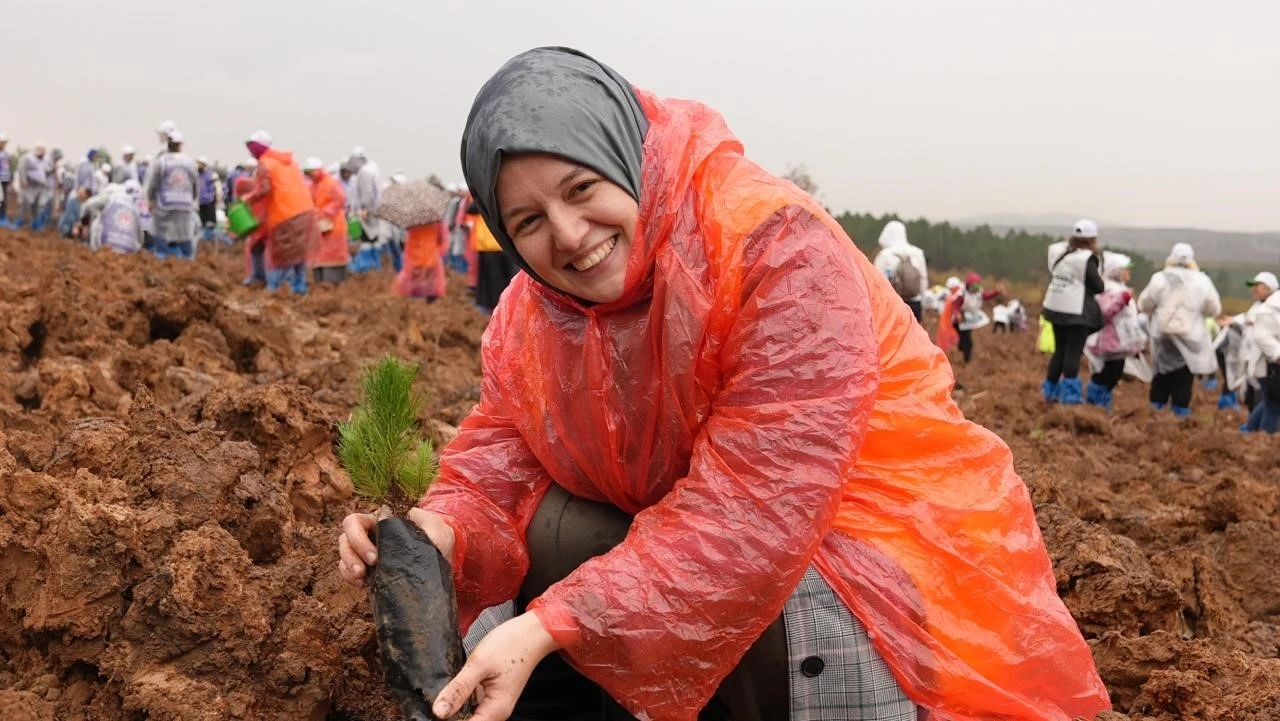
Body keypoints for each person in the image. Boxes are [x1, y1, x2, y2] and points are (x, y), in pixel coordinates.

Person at [336, 47, 1107, 721]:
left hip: (866, 542)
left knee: (804, 597)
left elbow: (758, 510)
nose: (568, 235)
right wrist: (441, 529)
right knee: (547, 522)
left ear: (626, 156)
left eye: (581, 189)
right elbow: (499, 458)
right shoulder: (531, 313)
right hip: (705, 526)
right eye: (529, 220)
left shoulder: (774, 251)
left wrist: (554, 623)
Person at [1137, 243, 1222, 417]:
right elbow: (1213, 309)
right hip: (1191, 336)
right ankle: (1179, 416)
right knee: (1184, 378)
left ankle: (1155, 414)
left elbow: (1144, 304)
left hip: (1163, 335)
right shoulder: (1202, 280)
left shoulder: (1159, 278)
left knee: (1161, 374)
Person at [240, 130, 315, 295]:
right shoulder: (289, 162)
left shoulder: (266, 163)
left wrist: (248, 198)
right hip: (304, 210)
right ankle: (300, 287)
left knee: (284, 254)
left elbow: (264, 189)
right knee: (299, 252)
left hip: (285, 213)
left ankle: (273, 289)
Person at [1041, 219, 1105, 404]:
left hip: (1055, 307)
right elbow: (1098, 286)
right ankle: (1069, 396)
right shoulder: (1086, 259)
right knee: (1073, 353)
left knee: (1059, 351)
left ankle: (1050, 391)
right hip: (1076, 312)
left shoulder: (1059, 252)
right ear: (1093, 239)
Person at [1084, 253, 1145, 410]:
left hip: (1120, 341)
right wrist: (1123, 298)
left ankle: (1102, 404)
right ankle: (1094, 401)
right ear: (1116, 270)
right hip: (1109, 340)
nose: (1129, 272)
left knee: (1114, 373)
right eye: (1126, 269)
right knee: (1108, 373)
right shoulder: (1108, 288)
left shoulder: (1119, 288)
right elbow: (1104, 312)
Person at [144, 130, 200, 260]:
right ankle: (187, 258)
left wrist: (151, 200)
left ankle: (163, 258)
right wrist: (193, 199)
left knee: (162, 232)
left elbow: (153, 183)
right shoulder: (189, 162)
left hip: (165, 204)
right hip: (185, 204)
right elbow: (196, 184)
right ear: (180, 145)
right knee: (185, 232)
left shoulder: (162, 161)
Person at [1240, 272, 1280, 433]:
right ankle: (1264, 440)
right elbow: (1261, 336)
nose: (1254, 289)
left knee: (1270, 402)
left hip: (1269, 365)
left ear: (1269, 287)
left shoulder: (1269, 307)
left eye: (1258, 285)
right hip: (1270, 366)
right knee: (1273, 405)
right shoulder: (1265, 309)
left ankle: (1249, 429)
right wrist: (1277, 354)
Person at [301, 157, 350, 285]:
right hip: (319, 225)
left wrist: (325, 212)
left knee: (332, 255)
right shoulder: (312, 185)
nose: (309, 175)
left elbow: (340, 200)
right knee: (319, 256)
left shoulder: (331, 182)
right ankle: (321, 281)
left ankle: (333, 281)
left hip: (334, 225)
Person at [469, 201, 520, 314]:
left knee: (492, 278)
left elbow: (471, 210)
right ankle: (503, 306)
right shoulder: (504, 200)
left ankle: (496, 305)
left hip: (490, 245)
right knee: (505, 278)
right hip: (504, 244)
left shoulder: (483, 200)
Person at [872, 220, 928, 322]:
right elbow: (924, 280)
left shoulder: (884, 255)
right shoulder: (917, 253)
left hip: (892, 304)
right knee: (913, 331)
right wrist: (922, 303)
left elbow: (877, 283)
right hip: (915, 303)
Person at [80, 182, 144, 253]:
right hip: (127, 250)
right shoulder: (134, 207)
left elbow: (88, 205)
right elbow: (140, 237)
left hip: (104, 246)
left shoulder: (110, 197)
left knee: (97, 220)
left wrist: (85, 223)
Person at [17, 144, 52, 230]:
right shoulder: (28, 158)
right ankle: (19, 222)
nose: (43, 154)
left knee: (36, 206)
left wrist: (51, 170)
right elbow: (22, 168)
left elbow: (45, 172)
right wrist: (23, 179)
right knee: (26, 205)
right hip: (29, 186)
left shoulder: (44, 160)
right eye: (41, 151)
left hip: (39, 187)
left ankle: (35, 223)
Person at [196, 156, 219, 240]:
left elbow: (216, 189)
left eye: (200, 164)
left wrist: (216, 199)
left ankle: (212, 239)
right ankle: (205, 241)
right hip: (201, 202)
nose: (198, 165)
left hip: (209, 202)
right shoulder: (197, 175)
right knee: (202, 223)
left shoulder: (210, 175)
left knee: (211, 223)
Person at [0, 132, 13, 227]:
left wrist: (11, 176)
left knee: (4, 199)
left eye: (4, 142)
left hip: (5, 179)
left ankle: (3, 216)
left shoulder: (7, 154)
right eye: (2, 142)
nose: (3, 144)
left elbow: (9, 165)